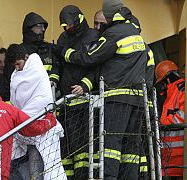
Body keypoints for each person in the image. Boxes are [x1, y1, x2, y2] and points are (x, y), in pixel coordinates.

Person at [60, 0, 149, 179]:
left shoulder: (114, 34)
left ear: (109, 16)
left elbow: (90, 58)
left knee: (111, 147)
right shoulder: (135, 33)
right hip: (138, 100)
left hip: (117, 100)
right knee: (130, 148)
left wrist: (65, 53)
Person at [7, 44, 66, 180]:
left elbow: (43, 99)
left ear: (26, 57)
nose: (17, 68)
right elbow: (14, 101)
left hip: (40, 130)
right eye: (14, 65)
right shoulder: (15, 75)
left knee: (36, 172)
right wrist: (21, 117)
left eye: (18, 64)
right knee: (8, 166)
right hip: (23, 127)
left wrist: (20, 117)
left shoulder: (38, 71)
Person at [57, 5, 100, 179]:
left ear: (79, 19)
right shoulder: (63, 38)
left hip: (87, 103)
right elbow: (58, 64)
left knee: (86, 148)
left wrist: (85, 84)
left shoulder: (94, 36)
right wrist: (54, 81)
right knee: (67, 147)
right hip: (66, 103)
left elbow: (98, 66)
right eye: (65, 26)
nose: (68, 29)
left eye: (70, 25)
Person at [155, 60, 184, 179]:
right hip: (169, 161)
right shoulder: (171, 94)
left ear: (167, 79)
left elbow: (181, 117)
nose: (161, 88)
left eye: (161, 83)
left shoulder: (182, 90)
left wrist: (160, 124)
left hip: (180, 161)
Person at [21, 12, 60, 89]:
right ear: (29, 29)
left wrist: (53, 80)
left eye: (44, 27)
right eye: (39, 26)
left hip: (49, 93)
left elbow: (56, 68)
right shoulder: (20, 50)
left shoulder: (50, 48)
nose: (43, 29)